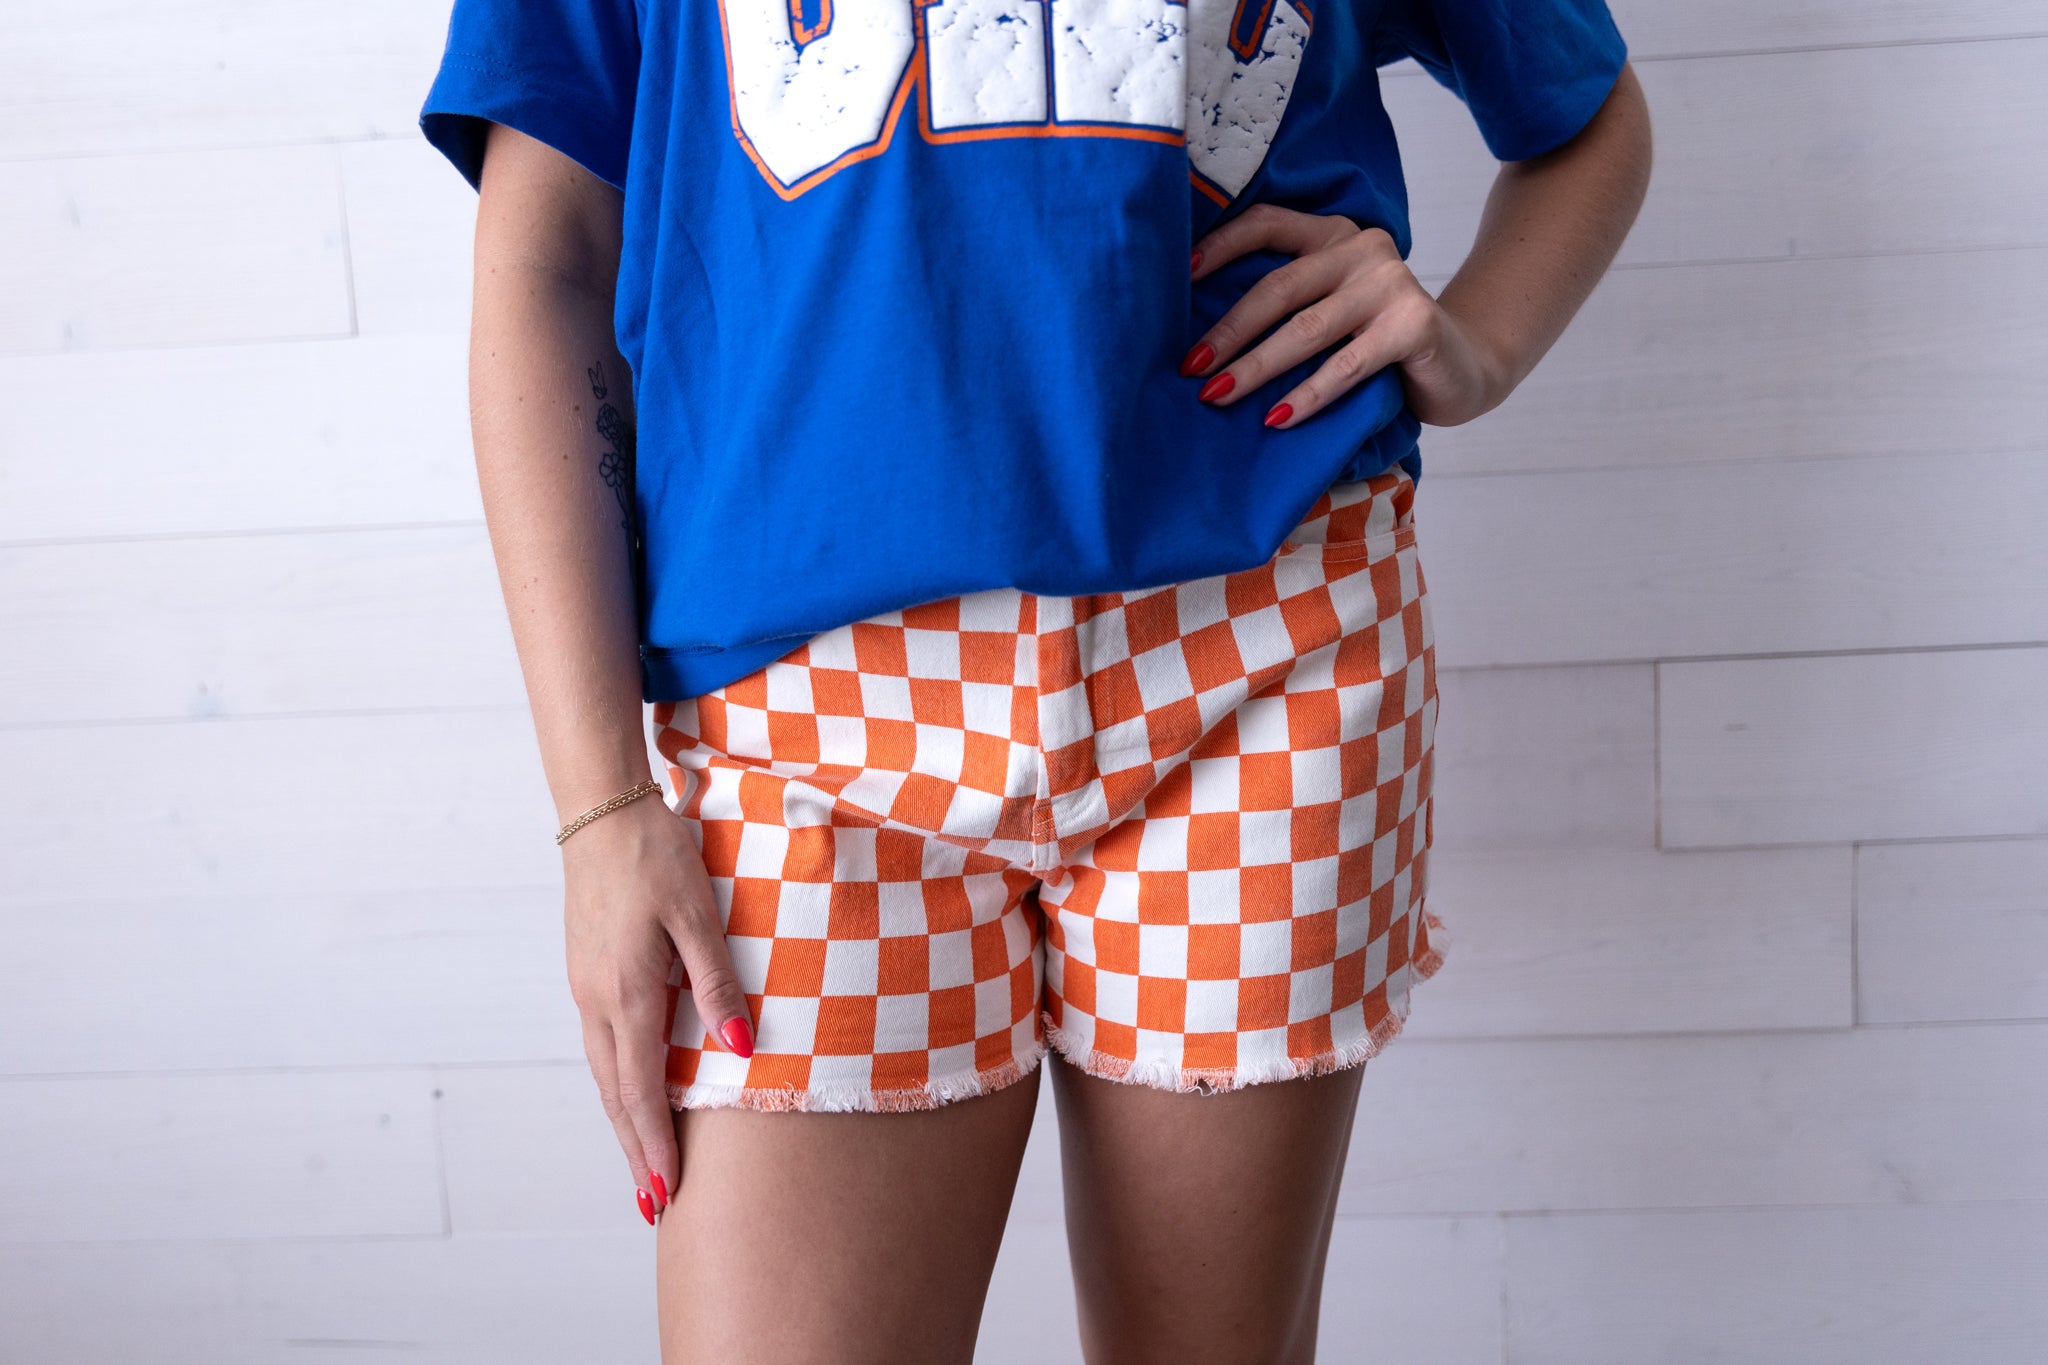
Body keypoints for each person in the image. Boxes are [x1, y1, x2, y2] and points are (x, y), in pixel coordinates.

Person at [419, 2, 1650, 1360]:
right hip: (805, 722)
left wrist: (1473, 344)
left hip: (1257, 662)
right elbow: (544, 258)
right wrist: (598, 810)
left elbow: (1588, 117)